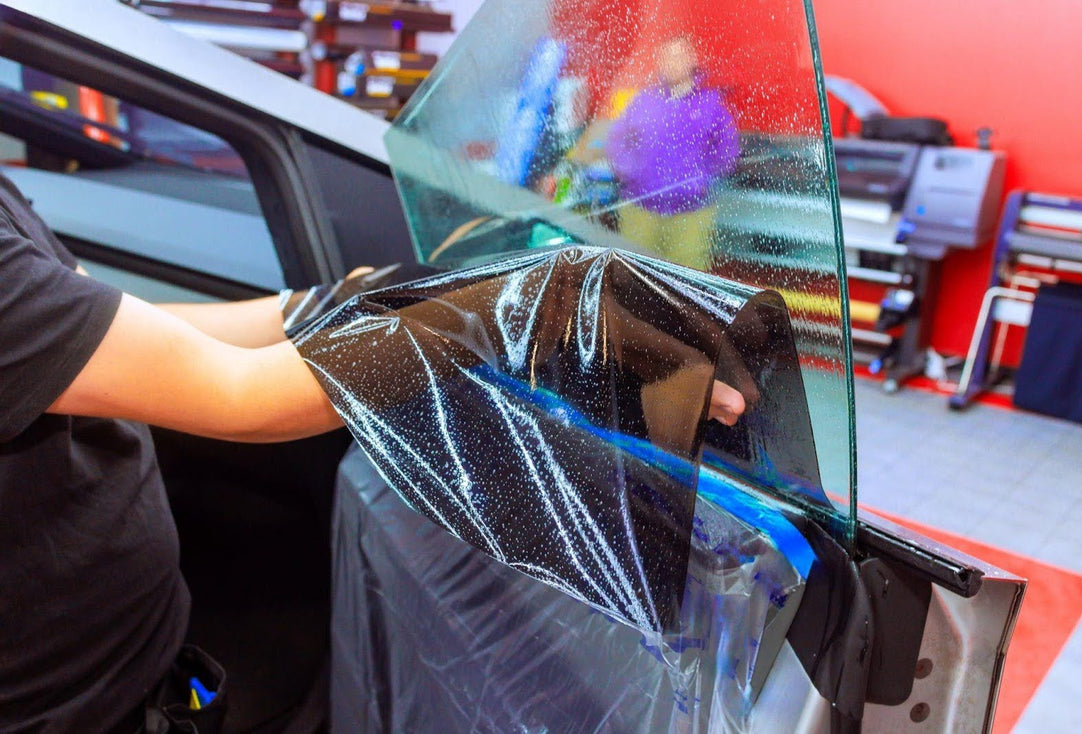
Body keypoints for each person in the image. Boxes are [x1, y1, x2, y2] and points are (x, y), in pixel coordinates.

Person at [0, 169, 748, 732]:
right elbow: (236, 393)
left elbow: (115, 333)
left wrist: (338, 302)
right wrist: (533, 306)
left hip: (144, 662)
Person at [606, 34, 740, 271]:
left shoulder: (710, 104)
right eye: (667, 56)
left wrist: (702, 181)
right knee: (633, 281)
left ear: (692, 59)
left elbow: (727, 150)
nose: (673, 62)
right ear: (660, 62)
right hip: (640, 211)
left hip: (691, 216)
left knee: (687, 287)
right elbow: (617, 140)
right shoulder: (643, 100)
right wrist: (631, 172)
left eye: (679, 55)